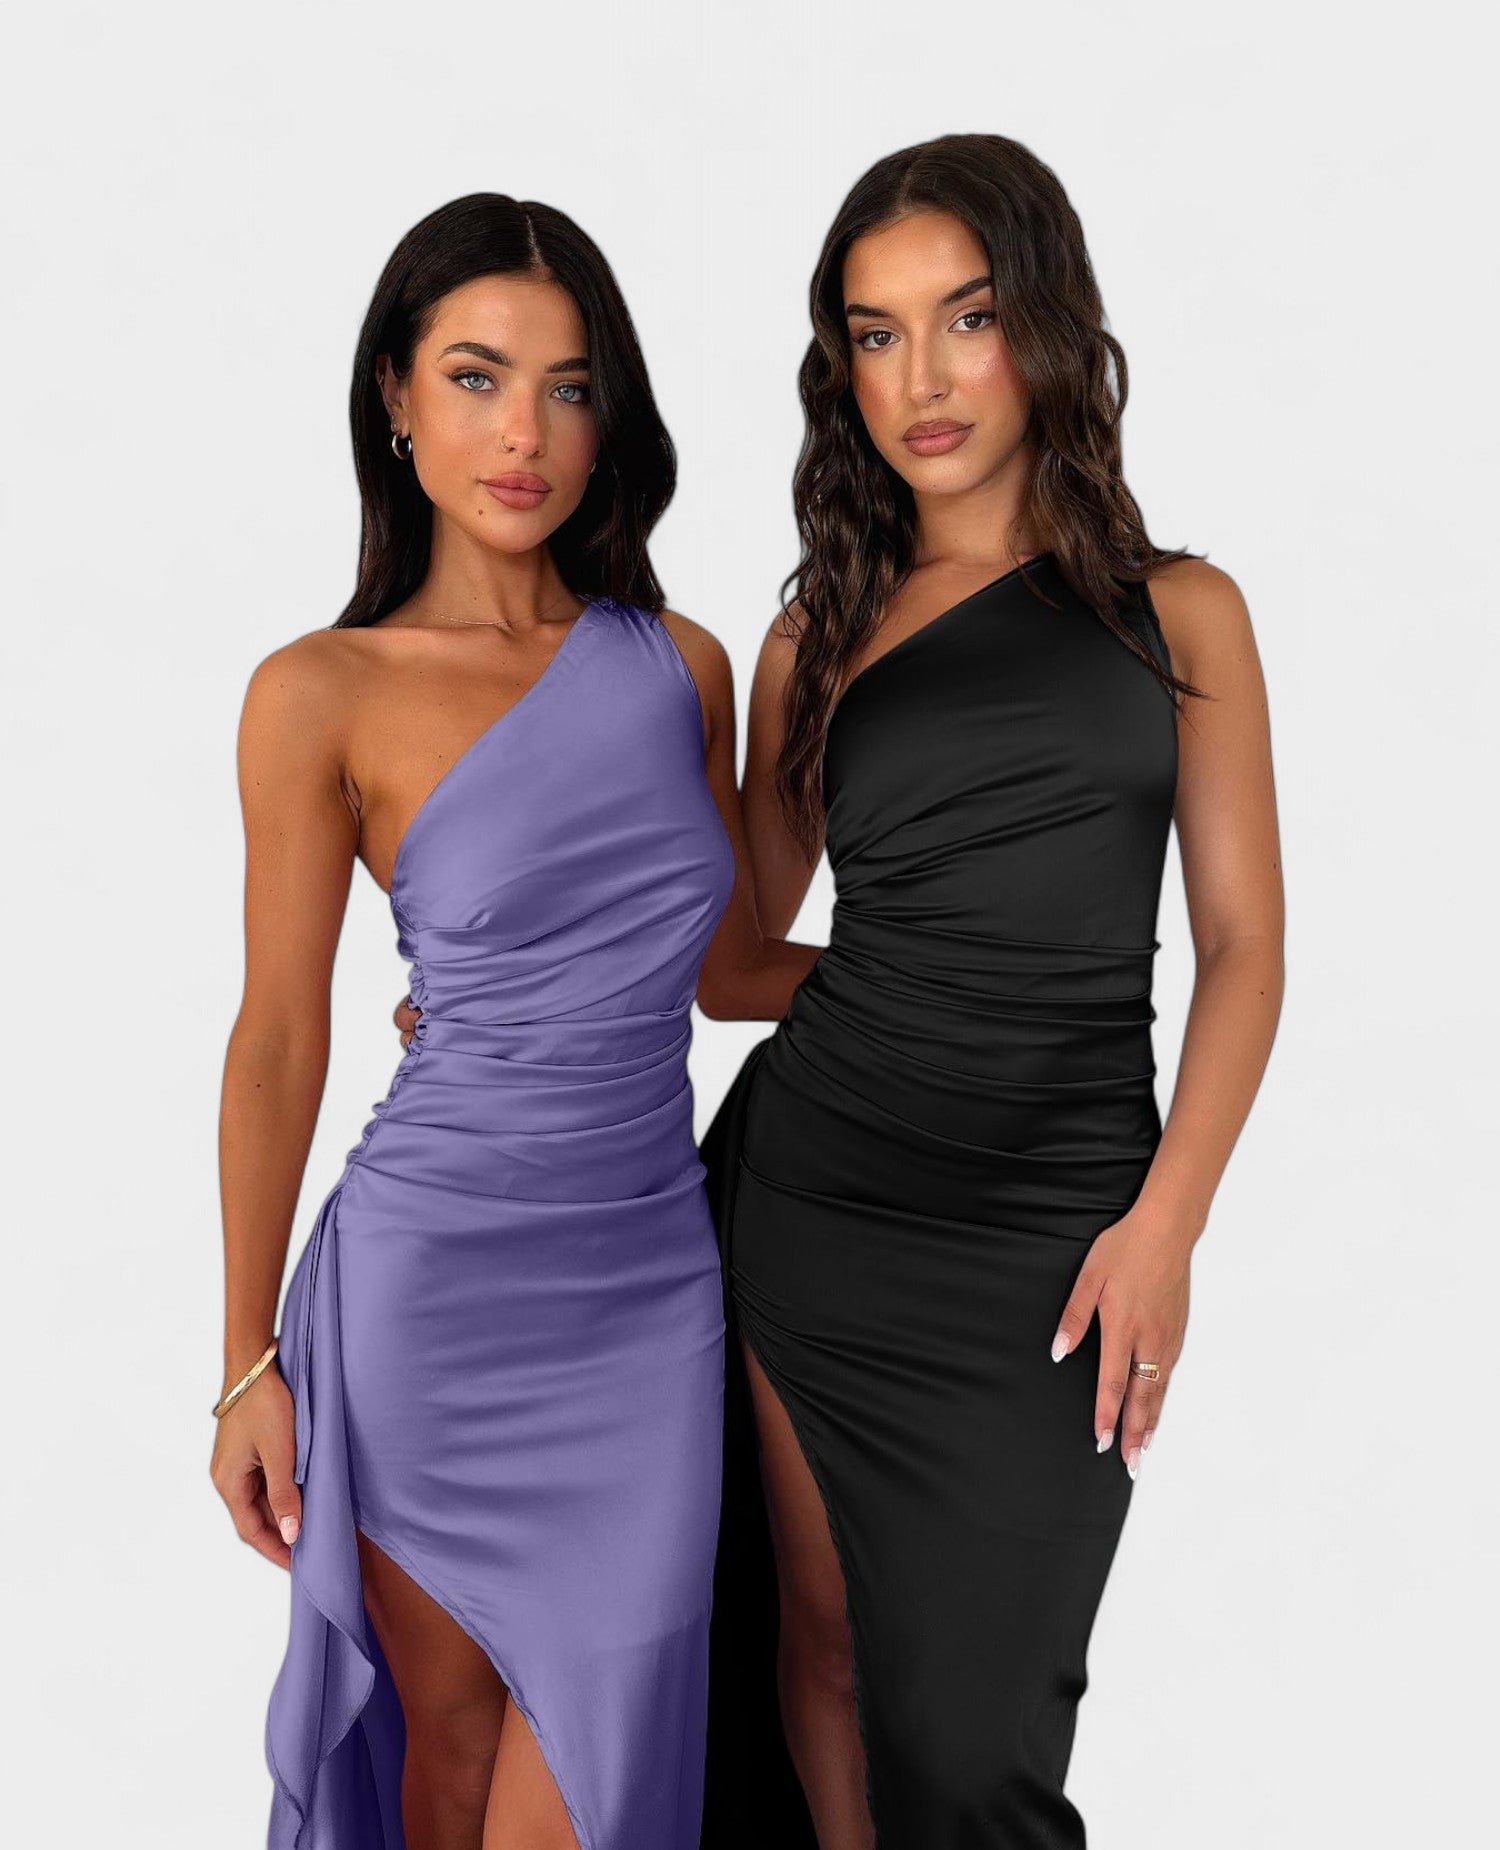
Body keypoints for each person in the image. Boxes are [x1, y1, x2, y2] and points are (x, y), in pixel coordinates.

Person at [688, 133, 1286, 1850]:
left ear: (1045, 320)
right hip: (823, 1201)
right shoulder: (817, 637)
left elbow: (1245, 948)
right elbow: (732, 958)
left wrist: (1166, 1222)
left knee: (976, 1735)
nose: (924, 379)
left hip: (1064, 1224)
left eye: (966, 317)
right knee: (820, 1647)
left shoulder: (1183, 614)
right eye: (875, 335)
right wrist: (521, 987)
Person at [210, 192, 818, 1850]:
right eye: (477, 378)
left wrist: (952, 975)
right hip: (430, 1289)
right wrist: (245, 1361)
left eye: (568, 387)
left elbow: (727, 968)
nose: (525, 434)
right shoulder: (317, 690)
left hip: (646, 1294)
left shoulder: (680, 663)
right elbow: (277, 1038)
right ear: (396, 398)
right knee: (450, 1766)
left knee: (604, 1776)